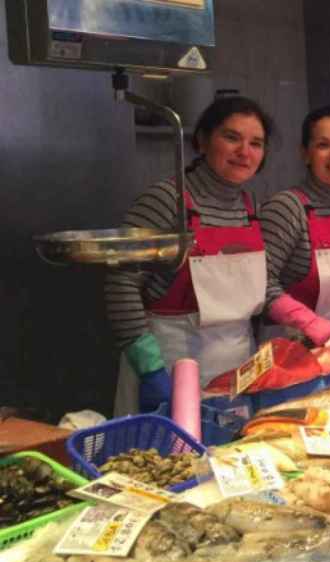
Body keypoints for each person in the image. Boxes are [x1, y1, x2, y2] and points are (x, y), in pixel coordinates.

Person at [105, 97, 274, 414]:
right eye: (231, 137)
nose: (244, 152)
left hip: (236, 365)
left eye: (256, 143)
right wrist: (150, 368)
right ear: (202, 140)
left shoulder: (250, 207)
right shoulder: (166, 200)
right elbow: (121, 283)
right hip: (168, 360)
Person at [259, 106, 330, 361]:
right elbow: (260, 285)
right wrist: (311, 324)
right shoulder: (287, 207)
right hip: (296, 351)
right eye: (323, 145)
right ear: (305, 154)